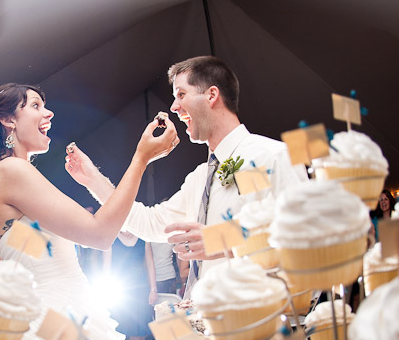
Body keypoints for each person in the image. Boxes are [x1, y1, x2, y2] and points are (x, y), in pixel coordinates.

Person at [0, 82, 177, 340]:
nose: (48, 113)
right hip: (60, 317)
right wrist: (141, 159)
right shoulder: (13, 171)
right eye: (36, 105)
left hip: (47, 318)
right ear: (9, 119)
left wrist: (90, 180)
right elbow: (100, 235)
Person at [66, 55, 305, 296]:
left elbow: (303, 237)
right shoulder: (200, 178)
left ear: (211, 95)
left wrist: (223, 241)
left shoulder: (272, 156)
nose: (173, 107)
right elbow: (149, 224)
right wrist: (92, 180)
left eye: (181, 94)